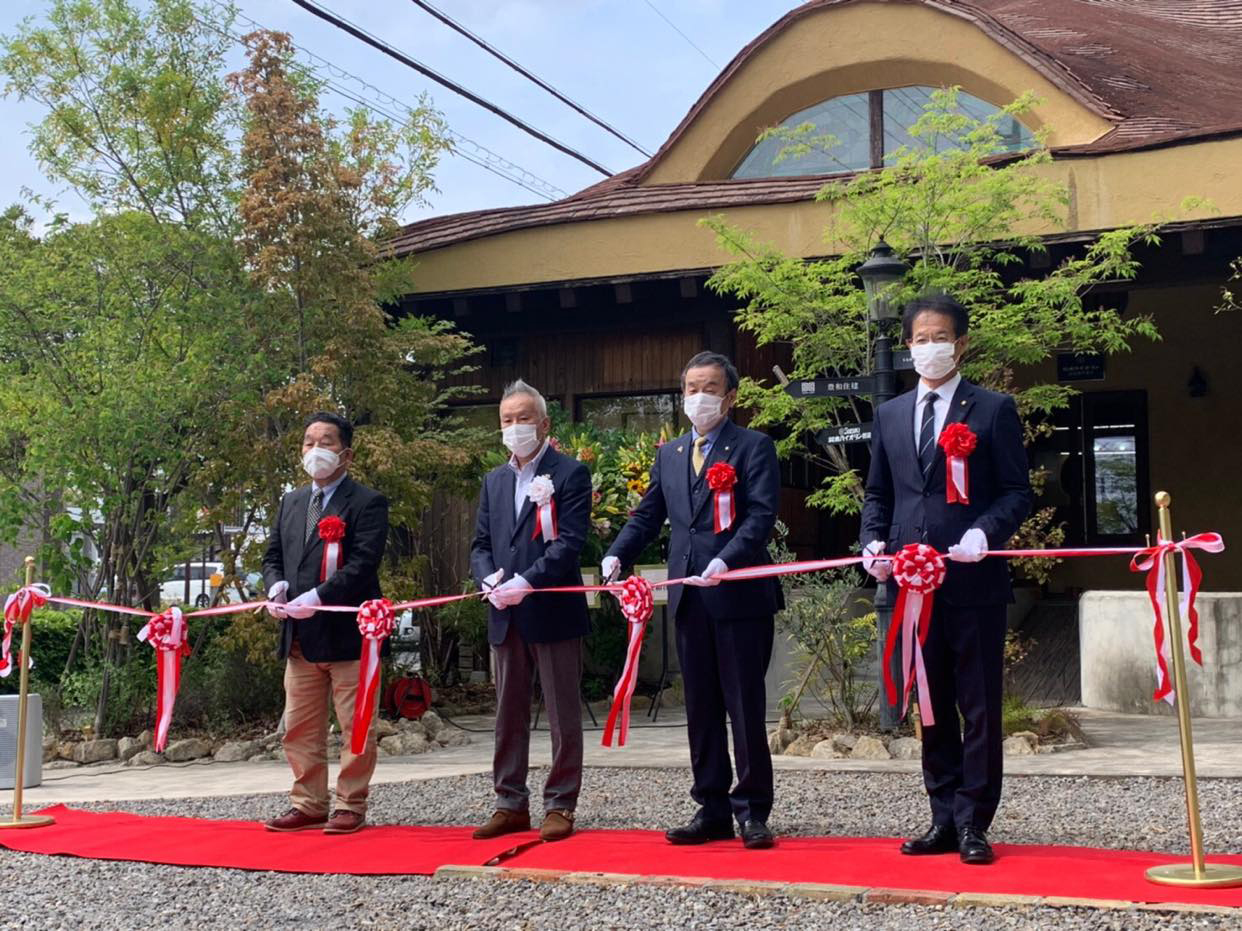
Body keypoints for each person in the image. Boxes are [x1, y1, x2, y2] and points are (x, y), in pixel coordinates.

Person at [860, 295, 1032, 865]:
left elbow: (1016, 492)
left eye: (940, 337)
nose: (928, 347)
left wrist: (986, 530)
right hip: (912, 585)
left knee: (978, 706)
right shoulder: (890, 414)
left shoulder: (992, 408)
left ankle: (973, 821)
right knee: (930, 704)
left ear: (960, 344)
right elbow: (879, 493)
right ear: (907, 345)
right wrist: (873, 541)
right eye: (919, 338)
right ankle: (941, 817)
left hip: (974, 582)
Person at [604, 351, 783, 850]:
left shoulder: (753, 447)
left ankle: (753, 810)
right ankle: (712, 807)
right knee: (700, 706)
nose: (698, 397)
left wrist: (727, 559)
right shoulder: (672, 453)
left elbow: (761, 515)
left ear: (730, 396)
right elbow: (648, 515)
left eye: (709, 388)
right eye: (690, 389)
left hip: (739, 595)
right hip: (688, 597)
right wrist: (618, 553)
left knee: (743, 706)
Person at [469, 380, 592, 842]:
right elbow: (481, 544)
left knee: (562, 713)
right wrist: (488, 579)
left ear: (544, 423)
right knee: (508, 713)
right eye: (507, 419)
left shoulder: (570, 473)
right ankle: (509, 802)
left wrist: (527, 582)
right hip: (505, 613)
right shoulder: (494, 480)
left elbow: (569, 543)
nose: (515, 427)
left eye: (523, 418)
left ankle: (560, 803)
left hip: (552, 609)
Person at [261, 411, 390, 835]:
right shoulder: (291, 501)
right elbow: (272, 555)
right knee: (299, 727)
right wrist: (276, 587)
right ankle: (308, 802)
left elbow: (363, 563)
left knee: (356, 726)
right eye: (308, 442)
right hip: (300, 638)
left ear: (346, 454)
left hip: (350, 637)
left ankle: (350, 804)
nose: (315, 450)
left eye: (326, 442)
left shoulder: (368, 502)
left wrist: (317, 598)